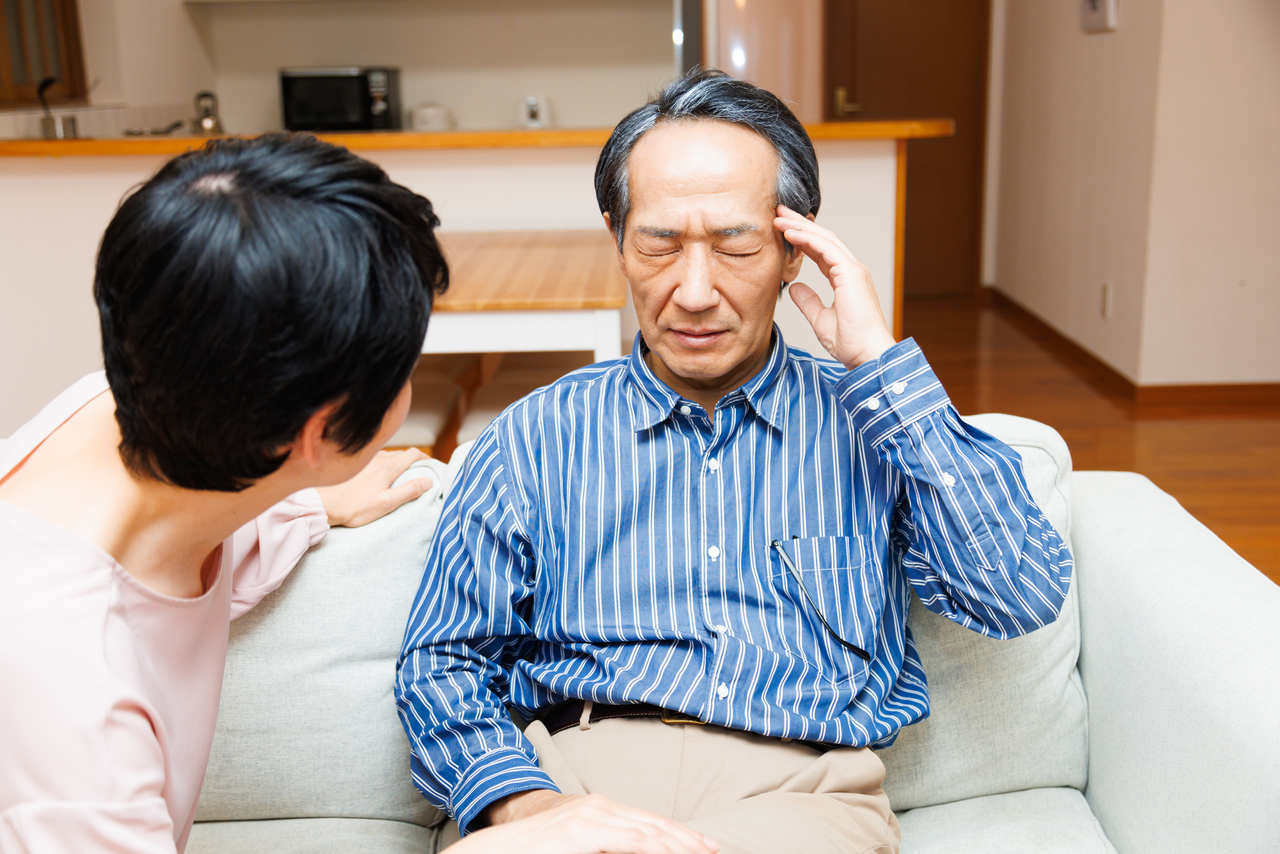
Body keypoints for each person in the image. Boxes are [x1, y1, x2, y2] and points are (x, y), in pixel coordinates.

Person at [396, 69, 1072, 854]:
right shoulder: (535, 435)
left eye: (734, 244)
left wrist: (882, 369)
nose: (693, 291)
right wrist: (523, 808)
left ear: (794, 250)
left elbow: (1015, 595)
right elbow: (443, 659)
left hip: (800, 793)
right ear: (619, 241)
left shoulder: (876, 425)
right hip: (573, 777)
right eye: (659, 243)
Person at [0, 134, 451, 853]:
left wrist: (312, 495)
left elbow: (198, 549)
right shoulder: (76, 704)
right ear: (321, 430)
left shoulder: (121, 409)